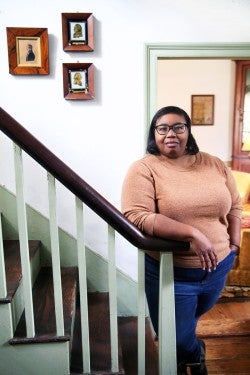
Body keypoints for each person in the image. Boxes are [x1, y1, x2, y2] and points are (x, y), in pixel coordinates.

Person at [121, 106, 242, 374]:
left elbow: (235, 205)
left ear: (188, 131)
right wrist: (192, 234)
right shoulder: (144, 169)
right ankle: (194, 355)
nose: (171, 133)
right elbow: (137, 216)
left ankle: (182, 356)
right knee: (174, 334)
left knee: (188, 323)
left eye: (179, 127)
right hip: (171, 272)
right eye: (162, 128)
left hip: (217, 268)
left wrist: (234, 245)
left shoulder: (214, 164)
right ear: (154, 134)